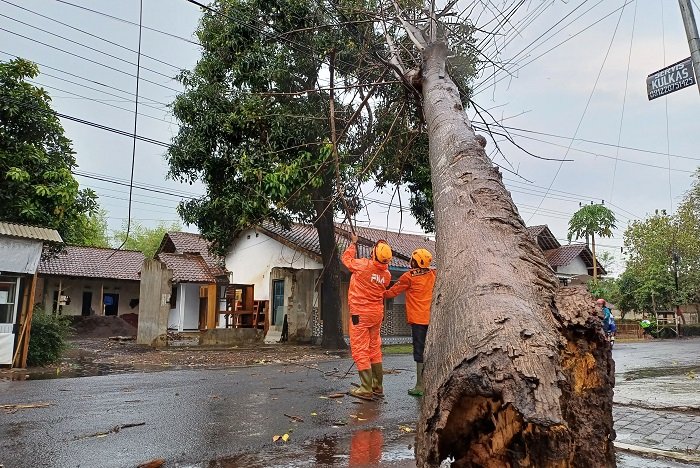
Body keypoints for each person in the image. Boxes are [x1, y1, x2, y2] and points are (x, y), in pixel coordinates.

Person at [341, 233, 392, 400]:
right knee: (374, 349)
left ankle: (365, 387)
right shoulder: (387, 276)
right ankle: (378, 386)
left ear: (374, 253)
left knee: (360, 349)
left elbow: (346, 260)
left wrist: (353, 244)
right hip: (376, 315)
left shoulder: (363, 265)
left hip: (360, 315)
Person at [384, 248, 436, 397]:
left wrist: (376, 291)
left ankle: (420, 385)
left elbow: (391, 292)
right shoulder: (433, 274)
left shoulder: (408, 277)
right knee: (430, 351)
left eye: (412, 259)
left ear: (415, 261)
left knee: (419, 352)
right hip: (433, 320)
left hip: (419, 321)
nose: (409, 261)